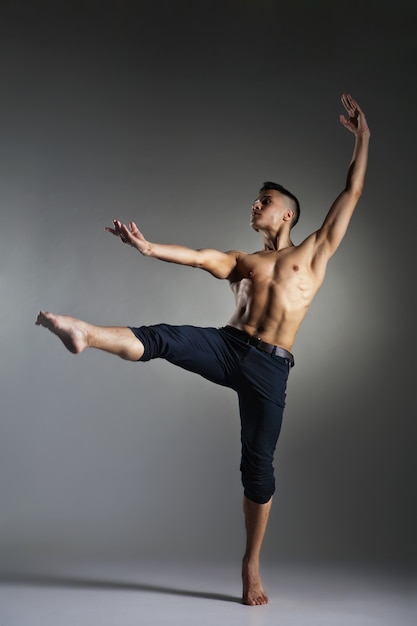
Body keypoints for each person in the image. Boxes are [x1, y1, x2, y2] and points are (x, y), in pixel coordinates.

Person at [35, 93, 370, 606]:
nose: (255, 205)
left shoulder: (316, 252)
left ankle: (250, 563)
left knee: (258, 466)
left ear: (288, 215)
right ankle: (83, 332)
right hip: (228, 346)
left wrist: (362, 138)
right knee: (164, 337)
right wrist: (148, 248)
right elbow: (197, 257)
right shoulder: (243, 260)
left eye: (265, 201)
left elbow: (352, 190)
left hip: (270, 370)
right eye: (255, 200)